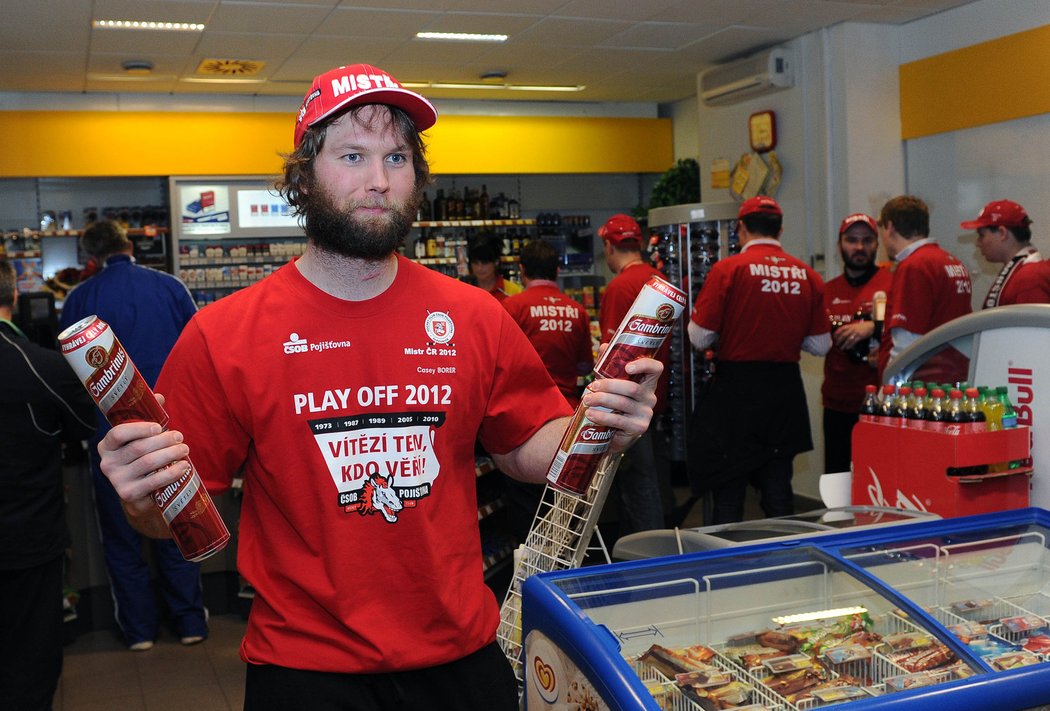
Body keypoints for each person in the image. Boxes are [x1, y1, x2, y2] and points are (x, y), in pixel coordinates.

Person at [95, 63, 660, 710]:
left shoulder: (474, 315)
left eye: (396, 156)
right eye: (353, 155)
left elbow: (527, 442)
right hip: (305, 669)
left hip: (461, 655)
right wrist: (141, 493)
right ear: (304, 176)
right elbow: (177, 514)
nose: (379, 179)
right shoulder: (225, 334)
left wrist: (598, 426)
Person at [58, 220, 208, 651]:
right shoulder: (170, 286)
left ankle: (140, 630)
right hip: (169, 432)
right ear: (128, 245)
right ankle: (189, 622)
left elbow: (70, 374)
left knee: (119, 534)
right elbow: (201, 354)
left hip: (111, 443)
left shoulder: (79, 297)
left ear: (90, 255)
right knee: (178, 519)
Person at [687, 196, 830, 524]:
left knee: (729, 485)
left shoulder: (727, 270)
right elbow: (821, 345)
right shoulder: (807, 275)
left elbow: (699, 336)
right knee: (778, 485)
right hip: (784, 393)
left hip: (737, 392)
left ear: (740, 228)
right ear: (780, 229)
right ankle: (785, 560)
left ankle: (725, 563)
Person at [0, 259, 96, 710]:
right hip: (27, 543)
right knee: (28, 666)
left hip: (28, 543)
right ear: (14, 297)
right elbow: (88, 426)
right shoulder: (41, 367)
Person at [502, 238, 595, 540]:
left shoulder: (511, 308)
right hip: (568, 420)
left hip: (524, 426)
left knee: (526, 518)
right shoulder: (577, 310)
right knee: (563, 514)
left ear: (521, 270)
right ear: (557, 270)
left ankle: (526, 578)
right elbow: (584, 367)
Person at [598, 213, 670, 536]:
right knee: (652, 482)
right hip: (658, 397)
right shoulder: (661, 280)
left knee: (638, 485)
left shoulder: (619, 287)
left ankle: (643, 559)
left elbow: (611, 356)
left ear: (609, 247)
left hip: (629, 402)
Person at [821, 213, 893, 473]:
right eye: (851, 240)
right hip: (837, 404)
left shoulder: (892, 284)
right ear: (839, 245)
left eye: (867, 240)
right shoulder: (826, 291)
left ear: (877, 244)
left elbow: (913, 330)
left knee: (878, 477)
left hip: (882, 405)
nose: (859, 247)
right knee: (837, 480)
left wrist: (872, 328)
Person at [876, 195, 972, 383]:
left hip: (924, 382)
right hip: (954, 374)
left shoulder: (915, 265)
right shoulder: (951, 261)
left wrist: (889, 389)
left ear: (889, 227)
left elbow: (907, 341)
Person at [962, 199, 1050, 307]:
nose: (978, 243)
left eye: (981, 235)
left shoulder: (1029, 277)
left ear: (1002, 233)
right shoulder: (1024, 271)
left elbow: (1033, 323)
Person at [466, 233, 522, 301]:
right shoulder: (461, 288)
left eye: (485, 263)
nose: (479, 268)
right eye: (475, 263)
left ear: (496, 262)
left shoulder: (513, 291)